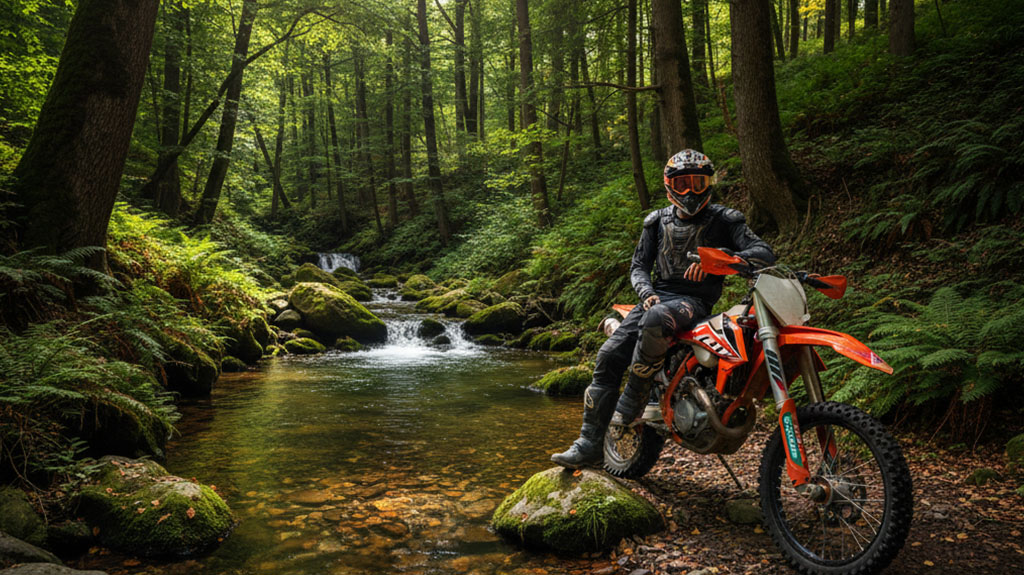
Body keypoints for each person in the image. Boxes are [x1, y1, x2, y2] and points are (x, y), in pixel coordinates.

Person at [551, 149, 776, 469]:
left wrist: (719, 259)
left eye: (698, 183)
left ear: (709, 183)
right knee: (607, 356)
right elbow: (638, 266)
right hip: (655, 299)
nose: (690, 191)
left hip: (693, 303)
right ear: (669, 184)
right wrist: (646, 293)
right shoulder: (655, 222)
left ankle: (631, 405)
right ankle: (588, 444)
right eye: (682, 183)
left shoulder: (726, 219)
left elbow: (764, 254)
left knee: (657, 317)